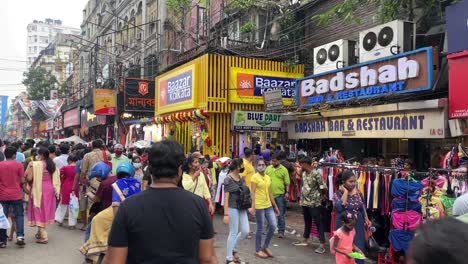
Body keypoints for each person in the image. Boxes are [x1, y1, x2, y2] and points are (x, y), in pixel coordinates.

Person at [103, 140, 216, 264]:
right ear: (180, 169)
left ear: (150, 169)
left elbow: (114, 261)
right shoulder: (198, 205)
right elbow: (207, 258)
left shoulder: (128, 207)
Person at [80, 162, 141, 263]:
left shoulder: (114, 184)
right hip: (134, 213)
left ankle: (88, 259)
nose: (98, 179)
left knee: (93, 225)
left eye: (98, 177)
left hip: (113, 213)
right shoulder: (136, 183)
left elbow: (110, 203)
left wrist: (119, 222)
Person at [332, 170, 371, 264]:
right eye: (350, 181)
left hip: (358, 224)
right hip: (344, 226)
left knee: (359, 248)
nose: (353, 184)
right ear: (343, 182)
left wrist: (366, 218)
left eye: (354, 181)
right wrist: (345, 192)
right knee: (346, 248)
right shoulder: (337, 194)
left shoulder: (357, 192)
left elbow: (362, 206)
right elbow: (339, 207)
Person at [25, 147, 61, 244]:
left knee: (38, 209)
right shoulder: (52, 164)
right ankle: (39, 232)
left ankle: (44, 235)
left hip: (38, 189)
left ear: (40, 155)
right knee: (45, 209)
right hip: (50, 189)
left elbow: (29, 178)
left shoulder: (34, 164)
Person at [294, 156, 327, 254]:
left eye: (301, 164)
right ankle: (305, 239)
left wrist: (320, 196)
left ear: (305, 164)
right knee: (307, 220)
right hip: (305, 202)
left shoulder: (316, 174)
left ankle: (322, 244)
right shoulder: (304, 173)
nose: (300, 166)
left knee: (318, 222)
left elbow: (323, 187)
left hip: (314, 202)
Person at [249, 158, 279, 258]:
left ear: (266, 166)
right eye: (260, 165)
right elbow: (252, 192)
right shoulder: (254, 177)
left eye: (263, 164)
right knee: (260, 228)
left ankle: (265, 246)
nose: (262, 166)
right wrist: (253, 206)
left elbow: (270, 193)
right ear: (256, 166)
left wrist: (275, 206)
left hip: (268, 205)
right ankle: (257, 249)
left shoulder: (267, 177)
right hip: (259, 206)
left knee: (273, 225)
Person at [223, 158, 250, 264]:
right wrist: (226, 214)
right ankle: (229, 259)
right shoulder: (228, 179)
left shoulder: (241, 178)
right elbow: (226, 197)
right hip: (232, 207)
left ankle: (234, 248)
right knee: (233, 232)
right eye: (242, 165)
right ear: (238, 166)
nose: (243, 167)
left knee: (245, 231)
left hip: (242, 207)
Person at [0, 146, 27, 248]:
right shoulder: (19, 165)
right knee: (19, 216)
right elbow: (23, 180)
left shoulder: (0, 165)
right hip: (16, 194)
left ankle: (2, 241)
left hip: (3, 195)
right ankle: (20, 236)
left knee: (3, 217)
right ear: (14, 155)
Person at [265, 153, 290, 238]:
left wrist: (287, 192)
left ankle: (281, 231)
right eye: (272, 161)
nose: (273, 162)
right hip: (268, 194)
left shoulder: (284, 170)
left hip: (279, 195)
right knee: (268, 213)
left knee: (280, 213)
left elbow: (287, 183)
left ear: (279, 161)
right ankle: (269, 229)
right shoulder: (268, 168)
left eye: (275, 161)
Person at [182, 153, 215, 218]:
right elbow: (185, 187)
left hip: (199, 205)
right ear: (189, 165)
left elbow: (205, 190)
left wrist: (210, 203)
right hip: (188, 206)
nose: (198, 164)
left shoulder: (201, 175)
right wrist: (194, 176)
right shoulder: (184, 176)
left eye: (199, 162)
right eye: (195, 162)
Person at [54, 155, 79, 228]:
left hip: (66, 187)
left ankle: (59, 219)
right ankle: (72, 224)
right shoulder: (78, 168)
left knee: (63, 204)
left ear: (69, 161)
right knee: (73, 205)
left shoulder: (65, 168)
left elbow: (58, 174)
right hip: (75, 187)